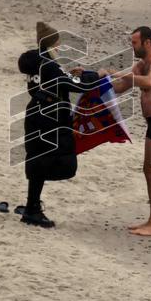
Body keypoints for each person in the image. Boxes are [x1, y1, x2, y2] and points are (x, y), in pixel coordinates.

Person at [13, 22, 100, 228]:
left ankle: (31, 205)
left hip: (35, 113)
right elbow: (78, 86)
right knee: (50, 161)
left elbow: (57, 80)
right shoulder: (50, 65)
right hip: (50, 117)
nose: (59, 46)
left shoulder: (35, 62)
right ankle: (32, 209)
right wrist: (95, 75)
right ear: (52, 43)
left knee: (37, 159)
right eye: (57, 42)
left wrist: (73, 74)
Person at [102, 26, 151, 237]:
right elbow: (119, 87)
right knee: (149, 170)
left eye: (135, 43)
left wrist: (115, 72)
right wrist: (91, 78)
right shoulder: (140, 65)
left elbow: (149, 82)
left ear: (147, 43)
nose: (132, 47)